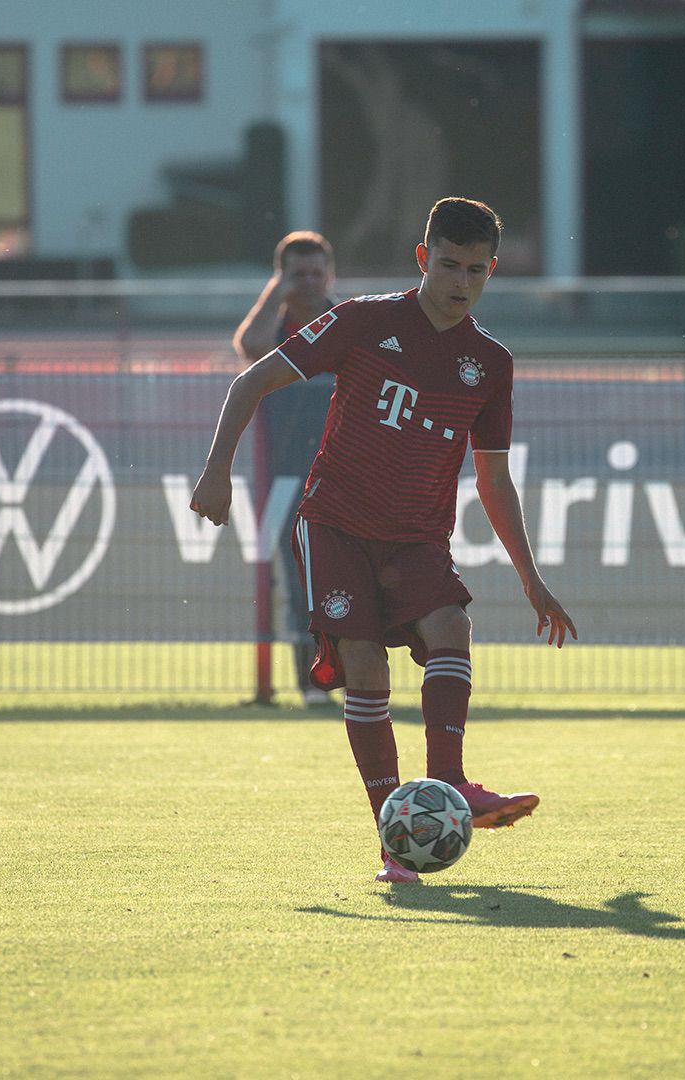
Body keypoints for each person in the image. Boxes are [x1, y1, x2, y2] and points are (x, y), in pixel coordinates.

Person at [191, 197, 577, 883]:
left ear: (492, 273)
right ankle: (394, 842)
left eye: (478, 272)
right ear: (424, 259)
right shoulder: (366, 322)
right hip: (335, 525)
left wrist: (531, 579)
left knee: (452, 623)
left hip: (417, 537)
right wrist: (217, 468)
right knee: (366, 667)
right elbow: (253, 377)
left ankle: (450, 783)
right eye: (450, 266)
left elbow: (494, 482)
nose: (461, 283)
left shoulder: (489, 363)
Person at [233, 232, 337, 705]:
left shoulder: (347, 323)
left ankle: (358, 679)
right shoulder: (276, 331)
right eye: (299, 274)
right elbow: (248, 345)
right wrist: (277, 293)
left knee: (351, 578)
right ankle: (313, 685)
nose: (311, 283)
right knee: (298, 580)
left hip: (345, 474)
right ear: (282, 278)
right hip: (286, 477)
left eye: (317, 272)